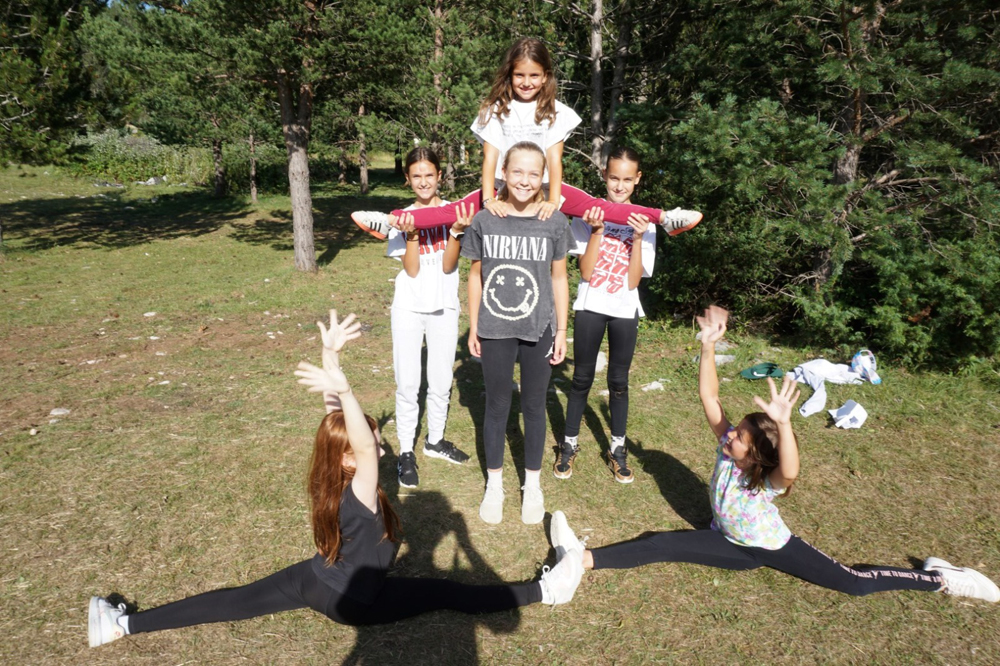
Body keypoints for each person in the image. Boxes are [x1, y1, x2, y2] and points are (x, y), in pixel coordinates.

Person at [87, 311, 585, 649]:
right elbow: (363, 445)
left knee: (236, 600)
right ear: (351, 457)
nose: (380, 446)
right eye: (373, 441)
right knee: (450, 593)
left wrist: (332, 361)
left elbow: (342, 427)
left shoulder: (330, 474)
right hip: (356, 603)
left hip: (315, 581)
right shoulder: (361, 487)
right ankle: (548, 591)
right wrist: (344, 388)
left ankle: (123, 624)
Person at [548, 305, 1000, 603]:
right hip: (726, 540)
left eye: (740, 436)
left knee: (853, 583)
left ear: (756, 456)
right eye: (735, 430)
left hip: (768, 547)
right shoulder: (729, 451)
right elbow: (709, 397)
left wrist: (784, 424)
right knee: (660, 543)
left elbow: (791, 472)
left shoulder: (764, 481)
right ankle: (580, 559)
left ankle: (945, 578)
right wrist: (708, 345)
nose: (730, 434)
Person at [351, 37, 702, 237]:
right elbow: (490, 158)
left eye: (534, 75)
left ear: (545, 76)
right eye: (520, 75)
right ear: (510, 75)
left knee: (599, 208)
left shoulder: (556, 111)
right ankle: (390, 221)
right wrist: (489, 199)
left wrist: (553, 199)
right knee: (453, 211)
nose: (527, 82)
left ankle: (664, 218)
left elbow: (554, 159)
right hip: (504, 185)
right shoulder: (494, 110)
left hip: (545, 186)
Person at [557, 146, 692, 484]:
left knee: (618, 382)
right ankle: (569, 443)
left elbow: (633, 281)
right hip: (591, 305)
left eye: (627, 180)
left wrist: (638, 236)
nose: (619, 186)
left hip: (623, 309)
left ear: (638, 179)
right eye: (614, 178)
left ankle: (617, 449)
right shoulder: (587, 214)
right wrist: (597, 231)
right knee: (581, 379)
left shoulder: (645, 222)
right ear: (604, 175)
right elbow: (586, 272)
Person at [454, 141, 571, 526]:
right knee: (497, 405)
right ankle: (495, 484)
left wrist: (561, 330)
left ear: (544, 177)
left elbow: (559, 277)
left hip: (539, 327)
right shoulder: (486, 219)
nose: (524, 180)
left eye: (533, 173)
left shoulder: (554, 221)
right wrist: (474, 324)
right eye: (517, 171)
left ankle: (532, 486)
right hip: (496, 327)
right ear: (503, 172)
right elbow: (474, 275)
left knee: (535, 406)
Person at [384, 147, 472, 489]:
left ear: (440, 177)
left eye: (429, 175)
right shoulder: (402, 218)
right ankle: (406, 451)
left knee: (440, 380)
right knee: (408, 383)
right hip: (408, 307)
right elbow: (411, 269)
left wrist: (456, 231)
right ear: (408, 179)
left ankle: (435, 440)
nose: (423, 182)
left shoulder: (454, 212)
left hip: (444, 306)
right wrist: (411, 235)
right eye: (416, 176)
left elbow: (449, 265)